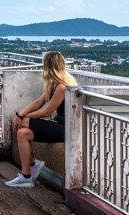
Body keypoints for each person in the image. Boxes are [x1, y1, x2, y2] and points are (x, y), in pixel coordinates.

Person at [5, 51, 77, 188]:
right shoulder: (54, 84)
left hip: (65, 128)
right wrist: (20, 115)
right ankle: (28, 174)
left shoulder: (62, 87)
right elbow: (39, 102)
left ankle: (32, 166)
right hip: (57, 125)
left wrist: (22, 118)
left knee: (22, 123)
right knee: (22, 133)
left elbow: (46, 112)